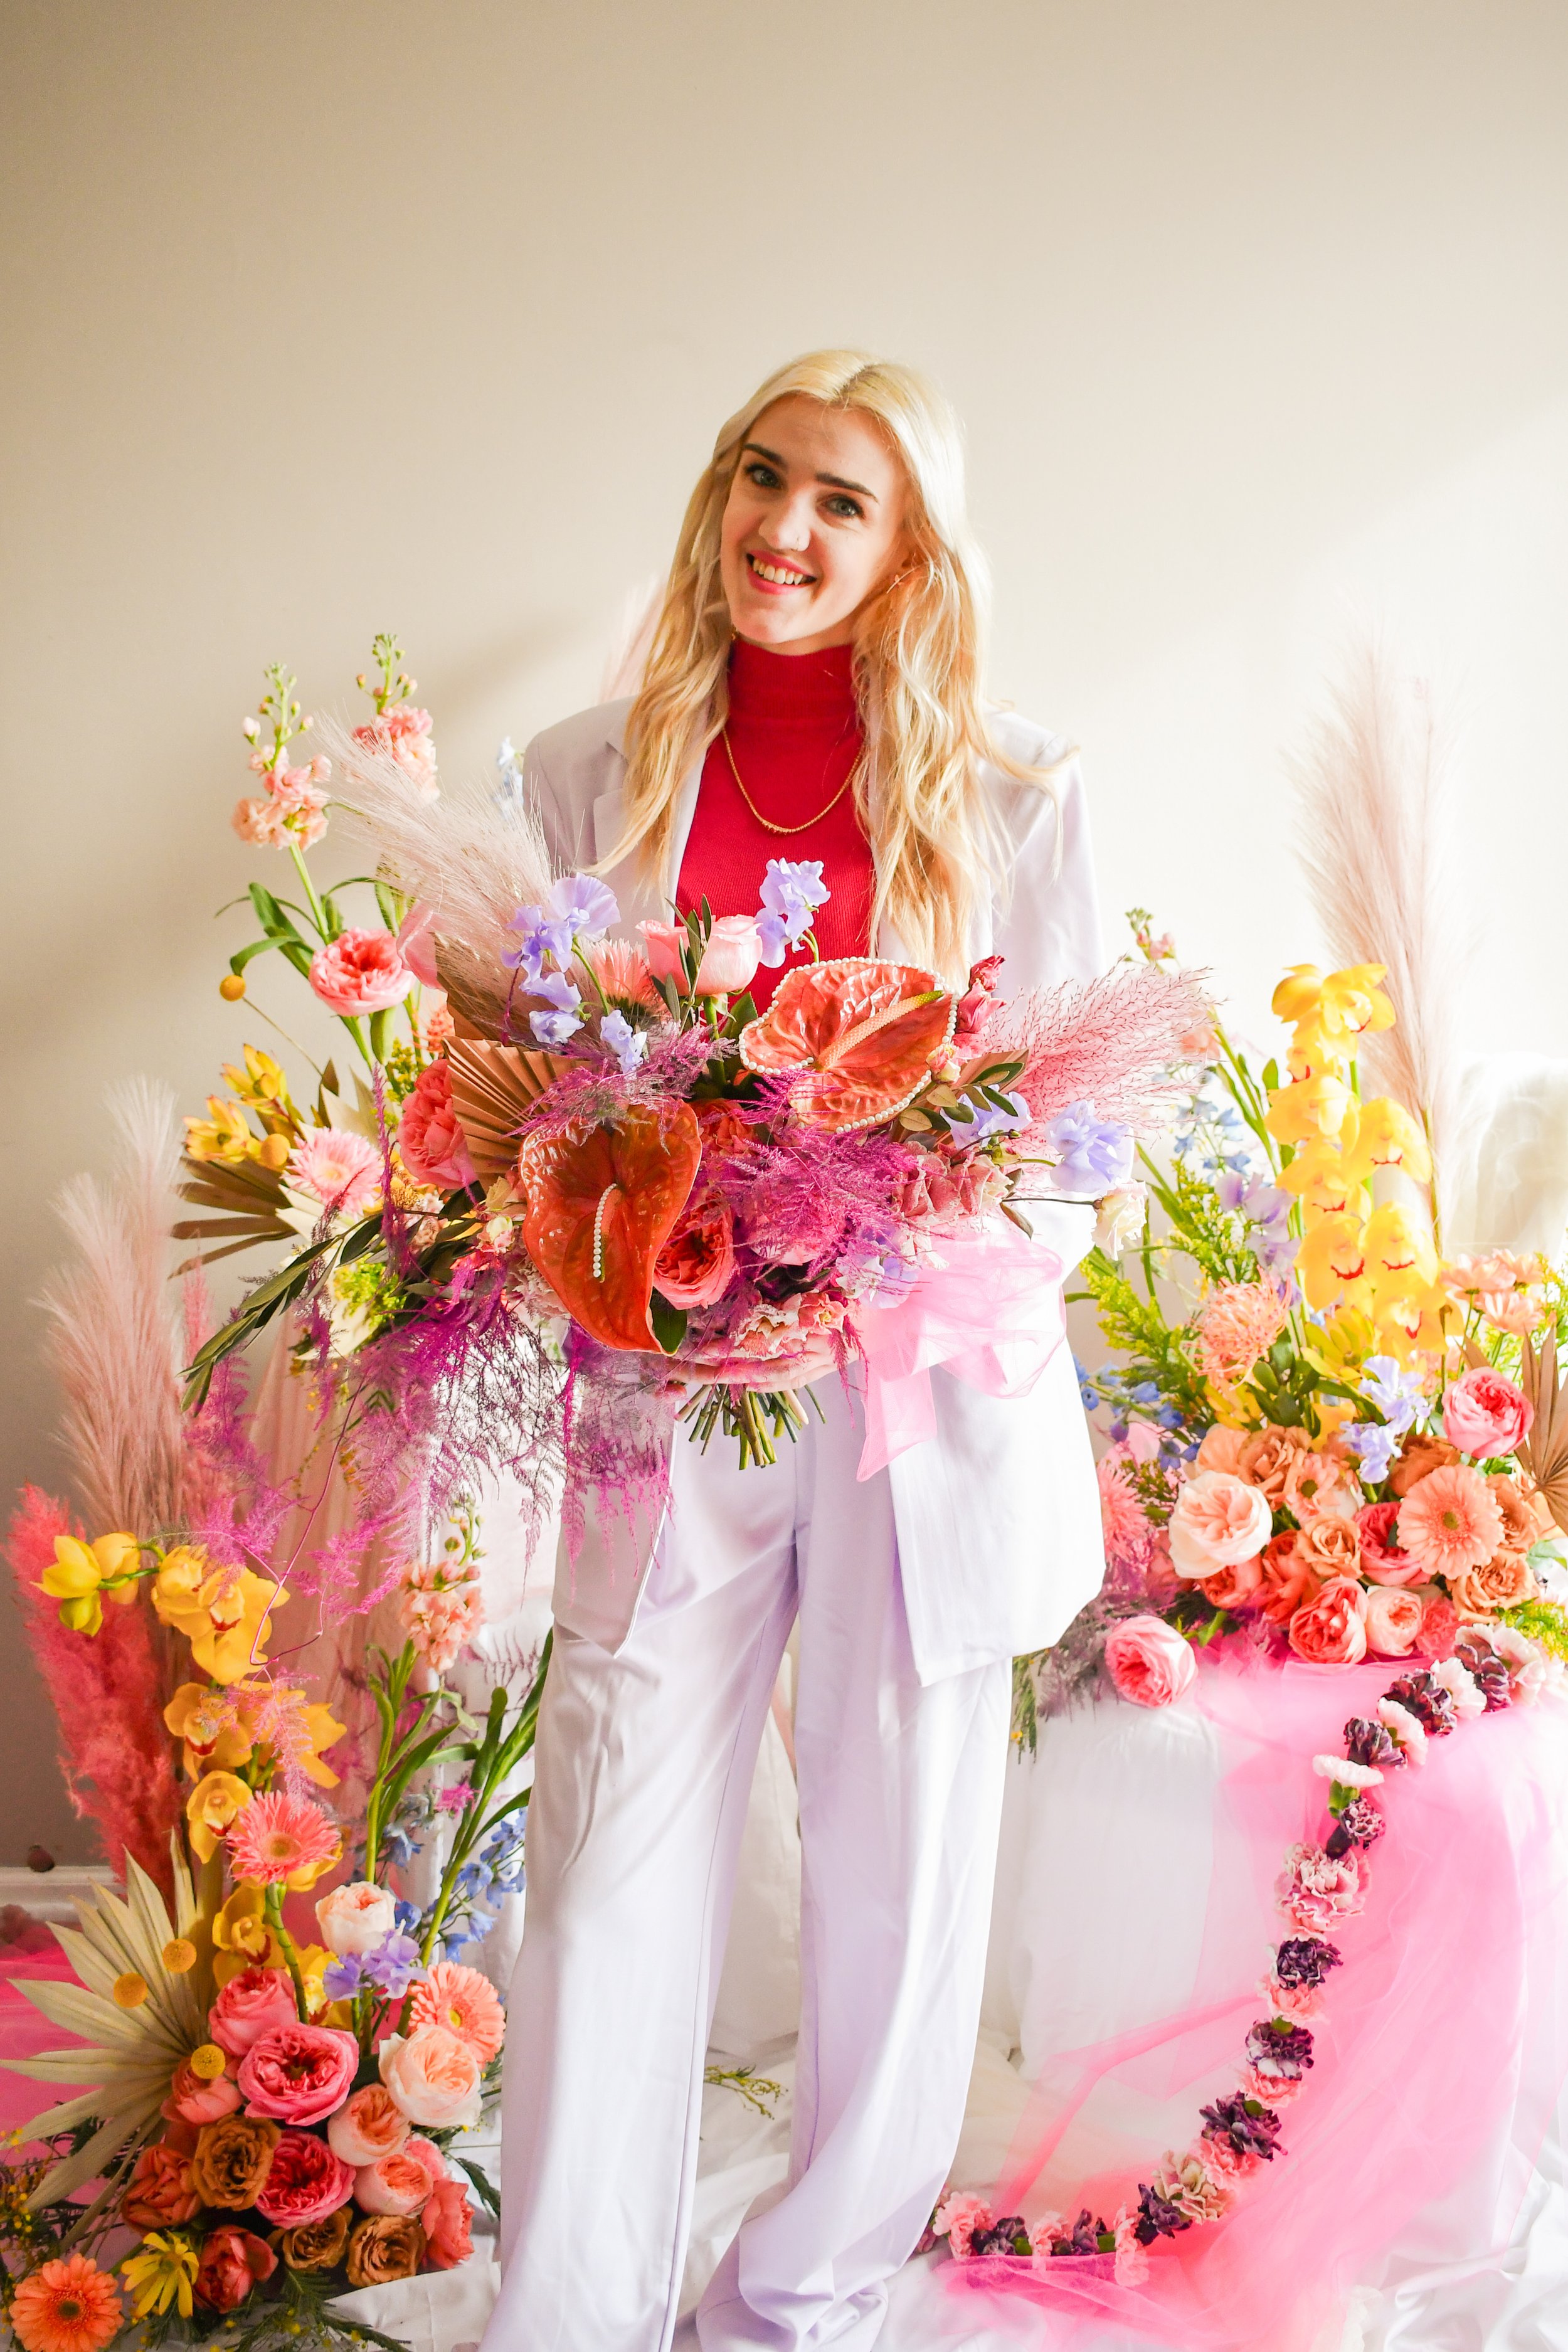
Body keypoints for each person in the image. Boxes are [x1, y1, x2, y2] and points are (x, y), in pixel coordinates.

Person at [484, 351, 1106, 2351]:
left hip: (909, 1401)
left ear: (908, 542)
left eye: (844, 499)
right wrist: (638, 1241)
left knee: (898, 1878)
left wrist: (874, 1253)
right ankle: (564, 2309)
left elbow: (1076, 1148)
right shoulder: (582, 774)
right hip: (662, 1387)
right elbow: (528, 1090)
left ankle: (801, 2295)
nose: (787, 529)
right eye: (763, 478)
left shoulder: (1013, 790)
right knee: (598, 1864)